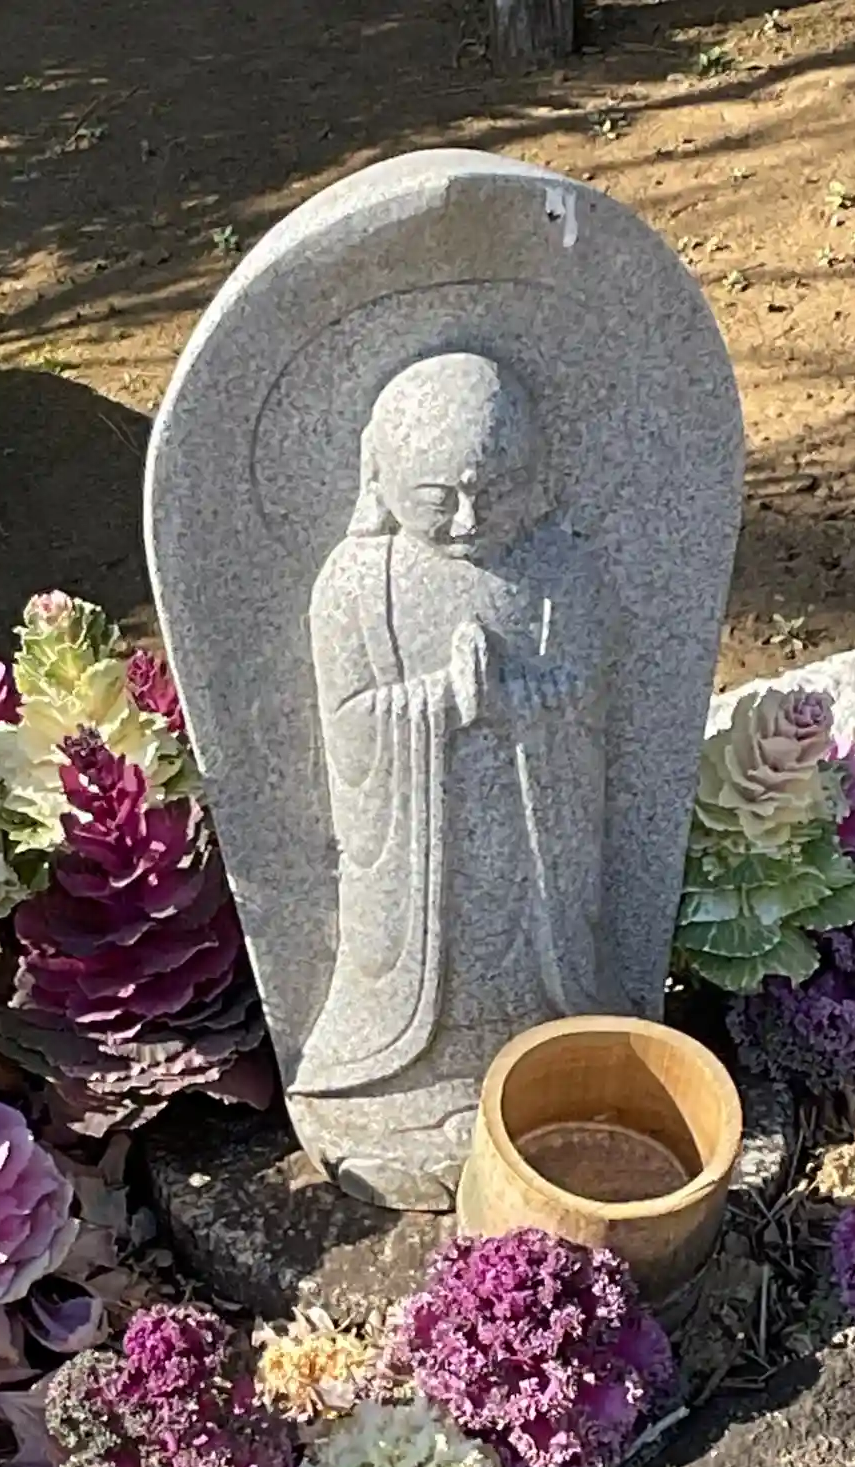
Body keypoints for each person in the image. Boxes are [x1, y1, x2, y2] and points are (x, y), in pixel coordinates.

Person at [288, 351, 610, 1207]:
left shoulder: (560, 571)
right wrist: (440, 705)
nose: (469, 520)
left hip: (528, 836)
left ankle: (539, 1070)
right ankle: (412, 1084)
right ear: (381, 475)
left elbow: (586, 698)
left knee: (525, 967)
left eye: (494, 491)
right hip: (408, 855)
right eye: (438, 498)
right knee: (418, 957)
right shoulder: (356, 584)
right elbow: (349, 720)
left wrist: (521, 704)